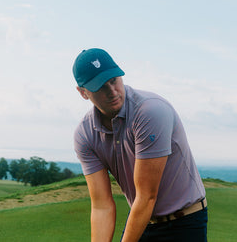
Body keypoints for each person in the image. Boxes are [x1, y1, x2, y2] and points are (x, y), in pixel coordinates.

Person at [72, 48, 207, 242]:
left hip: (185, 222)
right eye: (101, 87)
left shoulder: (150, 111)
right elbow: (101, 205)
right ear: (83, 93)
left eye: (114, 80)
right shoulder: (85, 135)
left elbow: (147, 196)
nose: (112, 92)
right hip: (143, 221)